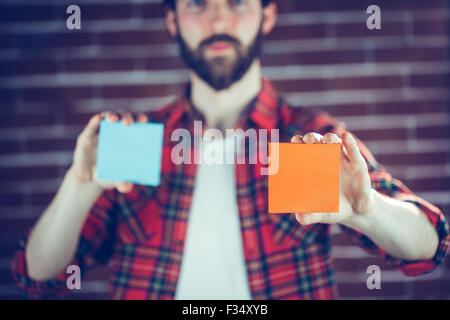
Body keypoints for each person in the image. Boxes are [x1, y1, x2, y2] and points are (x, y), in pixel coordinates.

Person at [12, 0, 449, 299]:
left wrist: (369, 209)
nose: (218, 21)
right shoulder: (136, 142)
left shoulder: (308, 138)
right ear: (172, 20)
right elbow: (38, 280)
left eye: (238, 1)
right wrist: (79, 185)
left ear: (267, 14)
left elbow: (432, 246)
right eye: (197, 3)